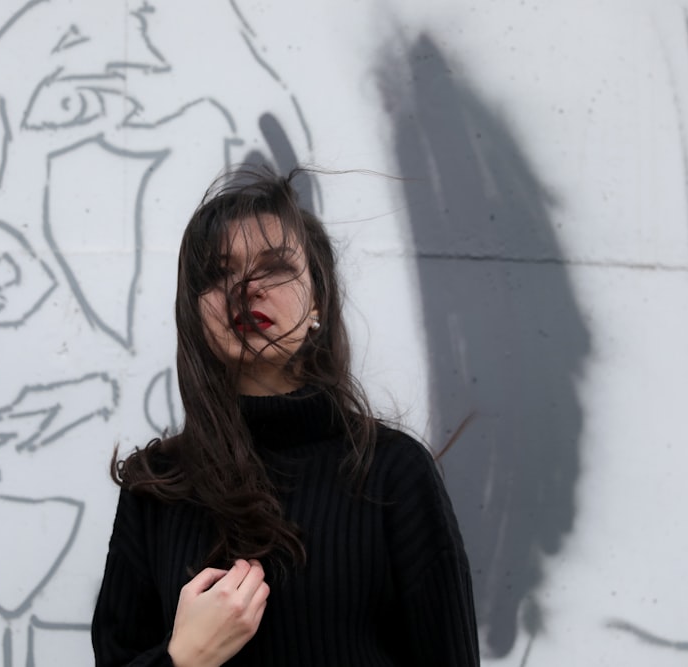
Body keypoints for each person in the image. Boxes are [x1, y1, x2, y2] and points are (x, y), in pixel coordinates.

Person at [91, 168, 479, 666]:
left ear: (317, 297)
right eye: (217, 273)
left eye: (274, 266)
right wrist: (185, 657)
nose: (246, 287)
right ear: (195, 312)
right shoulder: (157, 488)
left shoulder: (393, 472)